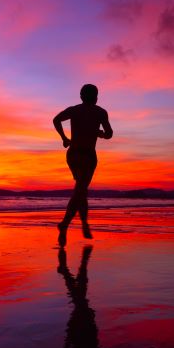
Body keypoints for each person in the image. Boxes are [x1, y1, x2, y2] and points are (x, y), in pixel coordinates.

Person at [53, 84, 113, 246]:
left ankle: (79, 224)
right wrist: (100, 134)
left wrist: (64, 138)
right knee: (80, 189)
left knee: (81, 190)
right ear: (95, 97)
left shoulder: (77, 110)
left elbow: (56, 120)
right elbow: (109, 134)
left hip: (78, 154)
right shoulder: (99, 112)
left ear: (81, 96)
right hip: (82, 155)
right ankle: (66, 224)